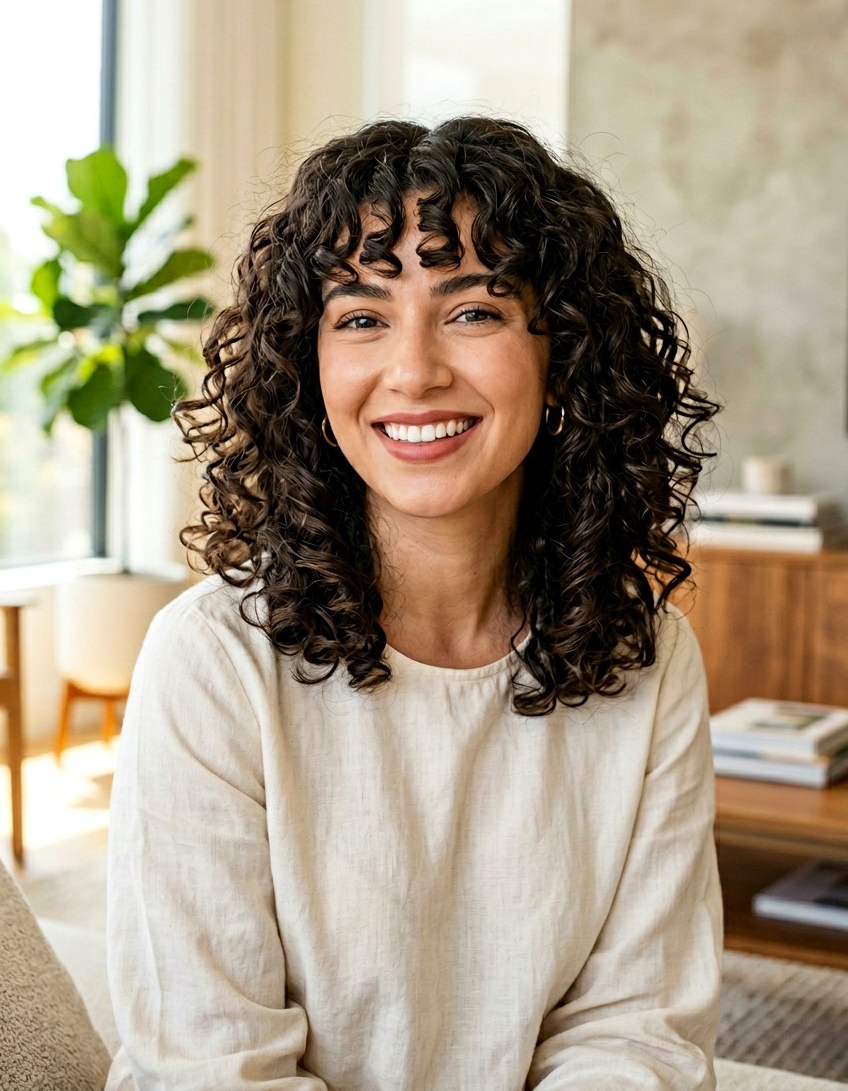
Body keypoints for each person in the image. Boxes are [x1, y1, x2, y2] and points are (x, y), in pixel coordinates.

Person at [106, 116, 723, 1090]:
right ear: (309, 372)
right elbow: (213, 1067)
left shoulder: (645, 655)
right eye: (360, 317)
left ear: (562, 356)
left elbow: (634, 1031)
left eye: (472, 310)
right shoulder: (210, 661)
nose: (413, 370)